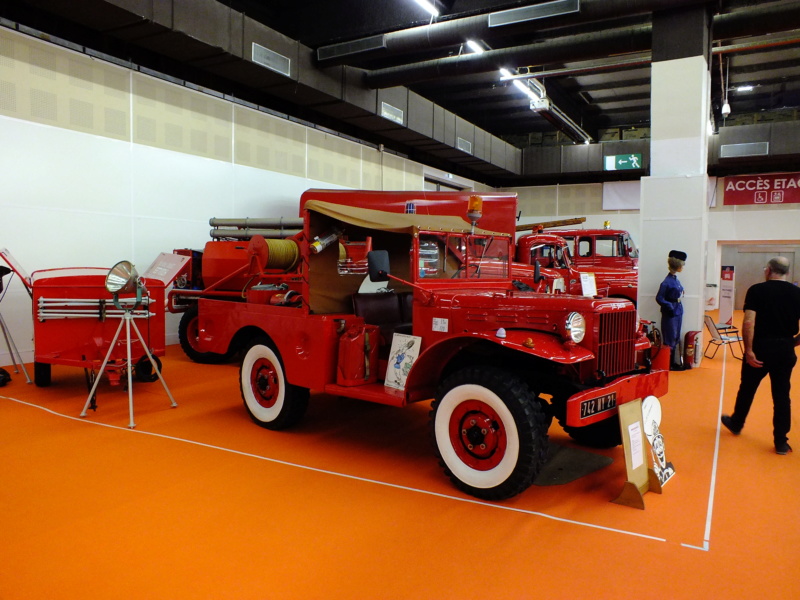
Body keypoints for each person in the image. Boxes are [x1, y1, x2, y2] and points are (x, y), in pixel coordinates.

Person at [721, 257, 800, 455]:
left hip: (761, 347)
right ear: (787, 272)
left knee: (747, 388)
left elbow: (749, 322)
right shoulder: (797, 293)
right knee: (782, 396)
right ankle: (781, 442)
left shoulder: (757, 290)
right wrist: (794, 341)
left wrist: (749, 350)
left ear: (769, 270)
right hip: (784, 349)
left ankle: (737, 423)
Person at [656, 250, 687, 371]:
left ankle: (673, 361)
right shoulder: (667, 282)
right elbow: (659, 297)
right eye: (682, 265)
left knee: (676, 335)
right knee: (670, 336)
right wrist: (668, 306)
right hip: (671, 311)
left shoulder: (675, 279)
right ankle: (669, 363)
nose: (683, 267)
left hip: (677, 309)